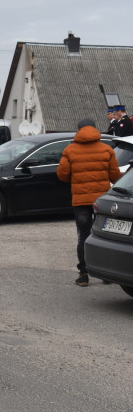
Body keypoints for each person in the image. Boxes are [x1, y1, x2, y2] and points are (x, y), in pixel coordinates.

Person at [57, 118, 121, 287]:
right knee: (104, 237)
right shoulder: (107, 150)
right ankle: (106, 274)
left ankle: (83, 275)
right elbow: (115, 176)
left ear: (78, 130)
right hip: (101, 202)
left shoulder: (70, 150)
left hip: (80, 201)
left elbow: (62, 175)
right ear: (95, 129)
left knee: (84, 237)